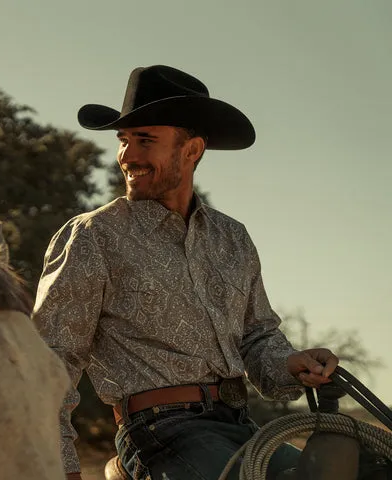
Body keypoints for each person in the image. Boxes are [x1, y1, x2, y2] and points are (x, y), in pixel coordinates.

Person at [33, 65, 339, 480]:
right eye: (124, 141)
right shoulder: (94, 237)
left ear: (192, 150)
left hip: (238, 427)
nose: (127, 156)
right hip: (159, 433)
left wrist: (291, 363)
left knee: (363, 469)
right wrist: (60, 466)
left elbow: (257, 335)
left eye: (145, 140)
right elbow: (51, 360)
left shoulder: (232, 238)